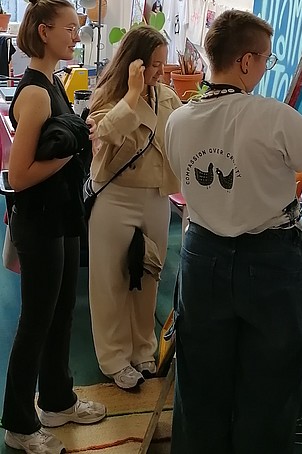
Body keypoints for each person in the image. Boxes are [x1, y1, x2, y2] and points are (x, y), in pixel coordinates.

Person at [164, 9, 302, 454]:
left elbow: (190, 186)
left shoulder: (178, 119)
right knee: (268, 390)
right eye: (265, 59)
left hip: (202, 258)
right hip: (268, 267)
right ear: (245, 62)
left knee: (200, 386)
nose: (266, 68)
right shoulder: (272, 117)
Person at [1, 1, 107, 453]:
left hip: (61, 216)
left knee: (62, 314)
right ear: (44, 31)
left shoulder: (54, 83)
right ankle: (19, 423)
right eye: (70, 27)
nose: (76, 34)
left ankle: (58, 399)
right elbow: (20, 174)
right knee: (36, 322)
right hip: (40, 221)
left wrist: (85, 130)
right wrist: (73, 148)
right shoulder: (36, 93)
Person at [87, 25, 182, 390]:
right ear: (135, 64)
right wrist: (132, 94)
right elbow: (107, 133)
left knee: (149, 275)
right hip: (115, 197)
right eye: (154, 65)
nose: (161, 72)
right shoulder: (109, 98)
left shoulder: (169, 97)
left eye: (163, 64)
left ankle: (143, 348)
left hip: (156, 196)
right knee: (110, 281)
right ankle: (113, 357)